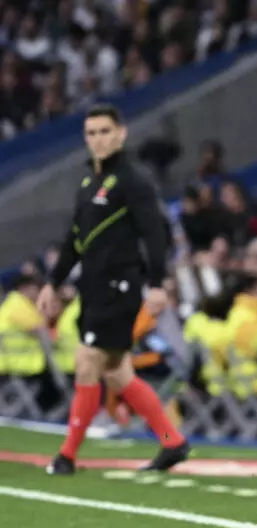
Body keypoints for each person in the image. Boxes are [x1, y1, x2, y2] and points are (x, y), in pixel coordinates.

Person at [37, 103, 191, 475]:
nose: (98, 139)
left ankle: (67, 456)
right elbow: (76, 240)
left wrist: (157, 283)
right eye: (91, 133)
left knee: (87, 361)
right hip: (93, 287)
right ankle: (172, 441)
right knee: (118, 374)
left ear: (121, 134)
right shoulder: (88, 183)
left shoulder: (133, 179)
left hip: (119, 286)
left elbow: (155, 233)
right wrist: (53, 283)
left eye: (105, 131)